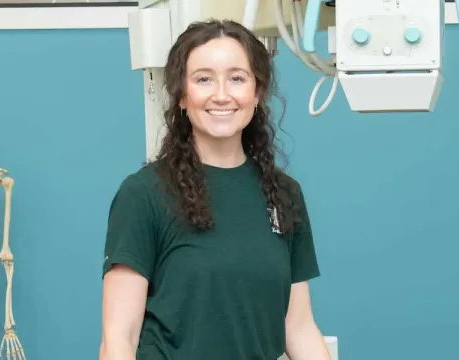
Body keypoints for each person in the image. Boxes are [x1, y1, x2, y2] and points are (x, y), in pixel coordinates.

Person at [99, 19, 332, 360]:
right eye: (203, 79)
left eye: (237, 78)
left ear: (258, 93)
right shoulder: (144, 195)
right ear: (181, 94)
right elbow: (119, 337)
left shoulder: (283, 195)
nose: (221, 94)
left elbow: (297, 327)